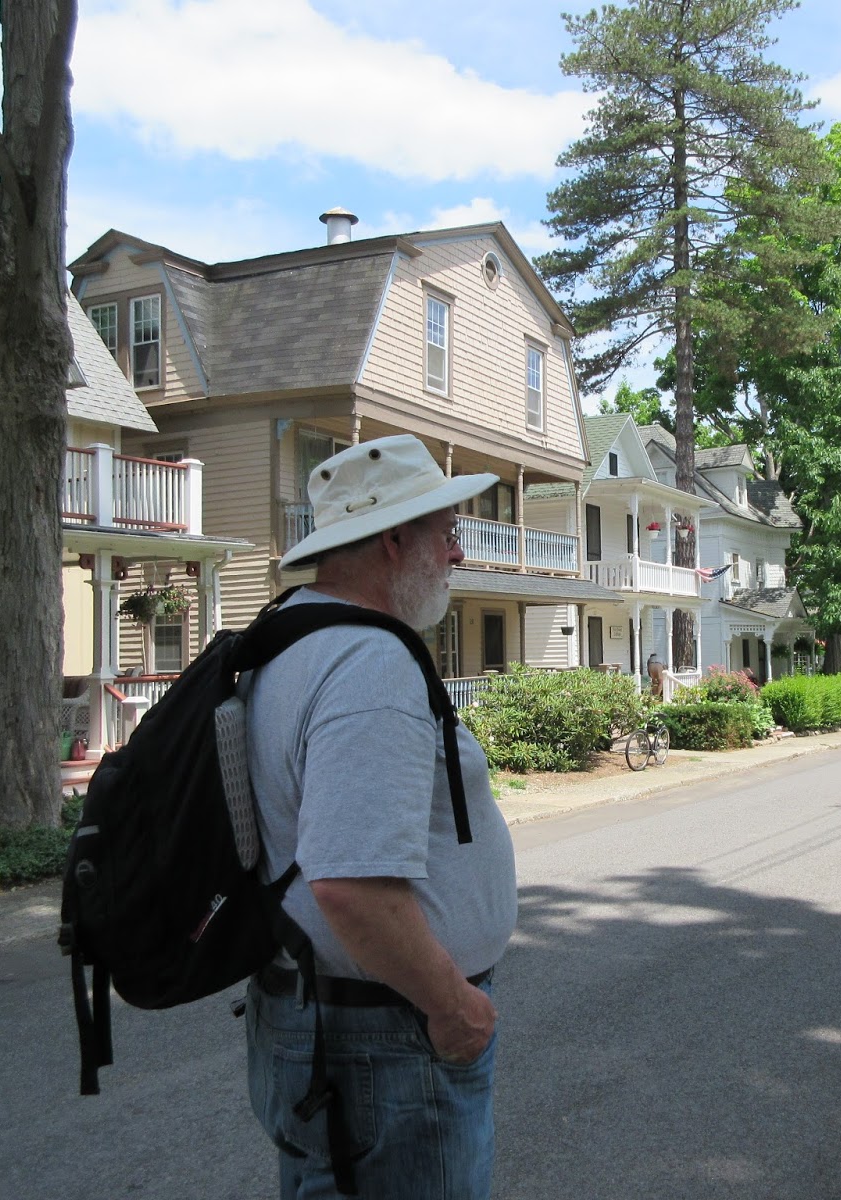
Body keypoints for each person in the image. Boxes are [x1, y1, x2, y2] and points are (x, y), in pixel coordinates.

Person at [242, 435, 516, 1200]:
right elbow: (351, 886)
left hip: (327, 1019)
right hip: (385, 1038)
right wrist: (453, 1006)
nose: (459, 554)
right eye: (449, 532)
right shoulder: (370, 663)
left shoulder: (292, 637)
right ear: (395, 541)